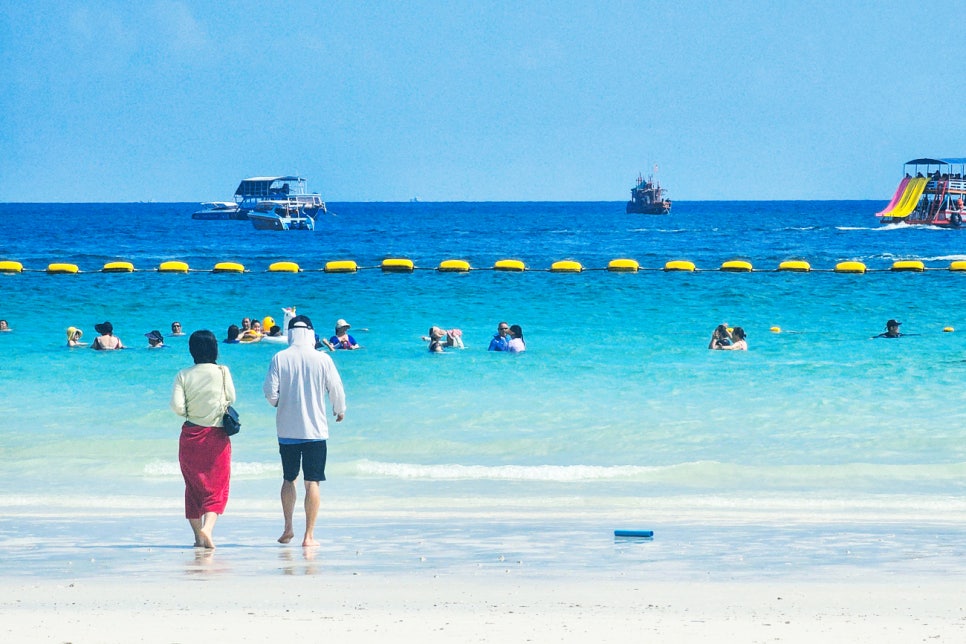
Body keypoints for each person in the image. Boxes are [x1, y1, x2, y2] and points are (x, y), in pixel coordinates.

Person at [263, 315, 346, 547]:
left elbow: (270, 392)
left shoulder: (279, 358)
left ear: (290, 333)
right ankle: (309, 536)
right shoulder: (323, 359)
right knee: (313, 482)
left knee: (289, 479)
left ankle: (288, 527)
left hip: (287, 429)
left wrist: (278, 403)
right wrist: (340, 410)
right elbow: (336, 388)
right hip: (316, 431)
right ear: (310, 333)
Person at [170, 330, 235, 549]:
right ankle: (208, 529)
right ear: (215, 348)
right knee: (217, 486)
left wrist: (191, 411)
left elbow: (177, 406)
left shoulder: (183, 374)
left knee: (193, 486)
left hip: (191, 436)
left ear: (192, 350)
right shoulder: (223, 371)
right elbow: (231, 397)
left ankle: (198, 537)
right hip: (216, 436)